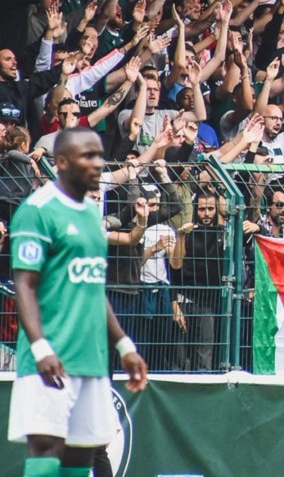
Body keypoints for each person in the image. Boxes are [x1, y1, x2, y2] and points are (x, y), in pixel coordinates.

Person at [8, 127, 148, 477]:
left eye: (100, 155)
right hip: (50, 356)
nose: (98, 163)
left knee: (82, 456)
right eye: (88, 156)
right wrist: (40, 347)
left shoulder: (90, 216)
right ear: (61, 162)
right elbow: (24, 285)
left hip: (92, 359)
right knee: (46, 448)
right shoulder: (37, 210)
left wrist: (124, 343)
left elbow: (93, 288)